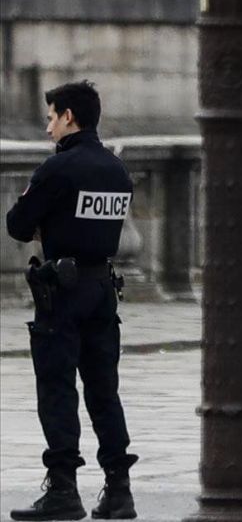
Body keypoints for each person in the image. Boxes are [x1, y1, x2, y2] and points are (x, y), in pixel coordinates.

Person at [6, 80, 138, 520]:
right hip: (104, 289)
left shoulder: (58, 169)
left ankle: (64, 489)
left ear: (68, 116)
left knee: (58, 387)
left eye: (50, 118)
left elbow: (18, 224)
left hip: (62, 292)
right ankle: (119, 489)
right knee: (105, 391)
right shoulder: (116, 170)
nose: (47, 129)